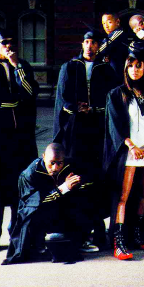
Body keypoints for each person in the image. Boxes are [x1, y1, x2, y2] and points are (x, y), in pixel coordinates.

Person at [53, 30, 118, 250]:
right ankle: (77, 228)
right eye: (87, 42)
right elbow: (62, 97)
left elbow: (112, 98)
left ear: (99, 46)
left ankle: (97, 228)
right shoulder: (70, 66)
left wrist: (95, 109)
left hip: (97, 130)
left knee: (96, 178)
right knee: (75, 175)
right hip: (74, 131)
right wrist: (75, 108)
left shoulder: (106, 69)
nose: (90, 46)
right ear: (82, 44)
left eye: (94, 43)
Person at [103, 49, 144, 260]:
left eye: (139, 65)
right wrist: (131, 146)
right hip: (128, 152)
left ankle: (136, 234)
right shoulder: (116, 94)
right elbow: (115, 126)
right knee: (123, 196)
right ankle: (118, 241)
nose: (135, 70)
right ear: (125, 68)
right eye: (131, 65)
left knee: (143, 193)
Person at [0, 28, 39, 253]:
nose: (8, 46)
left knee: (20, 184)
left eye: (11, 42)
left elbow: (30, 92)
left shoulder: (22, 66)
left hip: (20, 135)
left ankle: (18, 232)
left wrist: (17, 68)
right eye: (4, 42)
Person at [2, 143, 102, 265]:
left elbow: (90, 183)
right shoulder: (30, 173)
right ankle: (37, 242)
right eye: (52, 163)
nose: (55, 168)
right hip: (39, 213)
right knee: (31, 216)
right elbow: (34, 203)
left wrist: (79, 184)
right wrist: (64, 188)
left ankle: (80, 240)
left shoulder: (71, 166)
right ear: (43, 157)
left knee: (86, 202)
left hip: (62, 210)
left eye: (59, 163)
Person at [97, 11, 129, 85]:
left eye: (109, 22)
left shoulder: (118, 33)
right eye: (104, 23)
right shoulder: (109, 36)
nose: (106, 26)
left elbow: (101, 50)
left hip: (119, 73)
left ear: (117, 22)